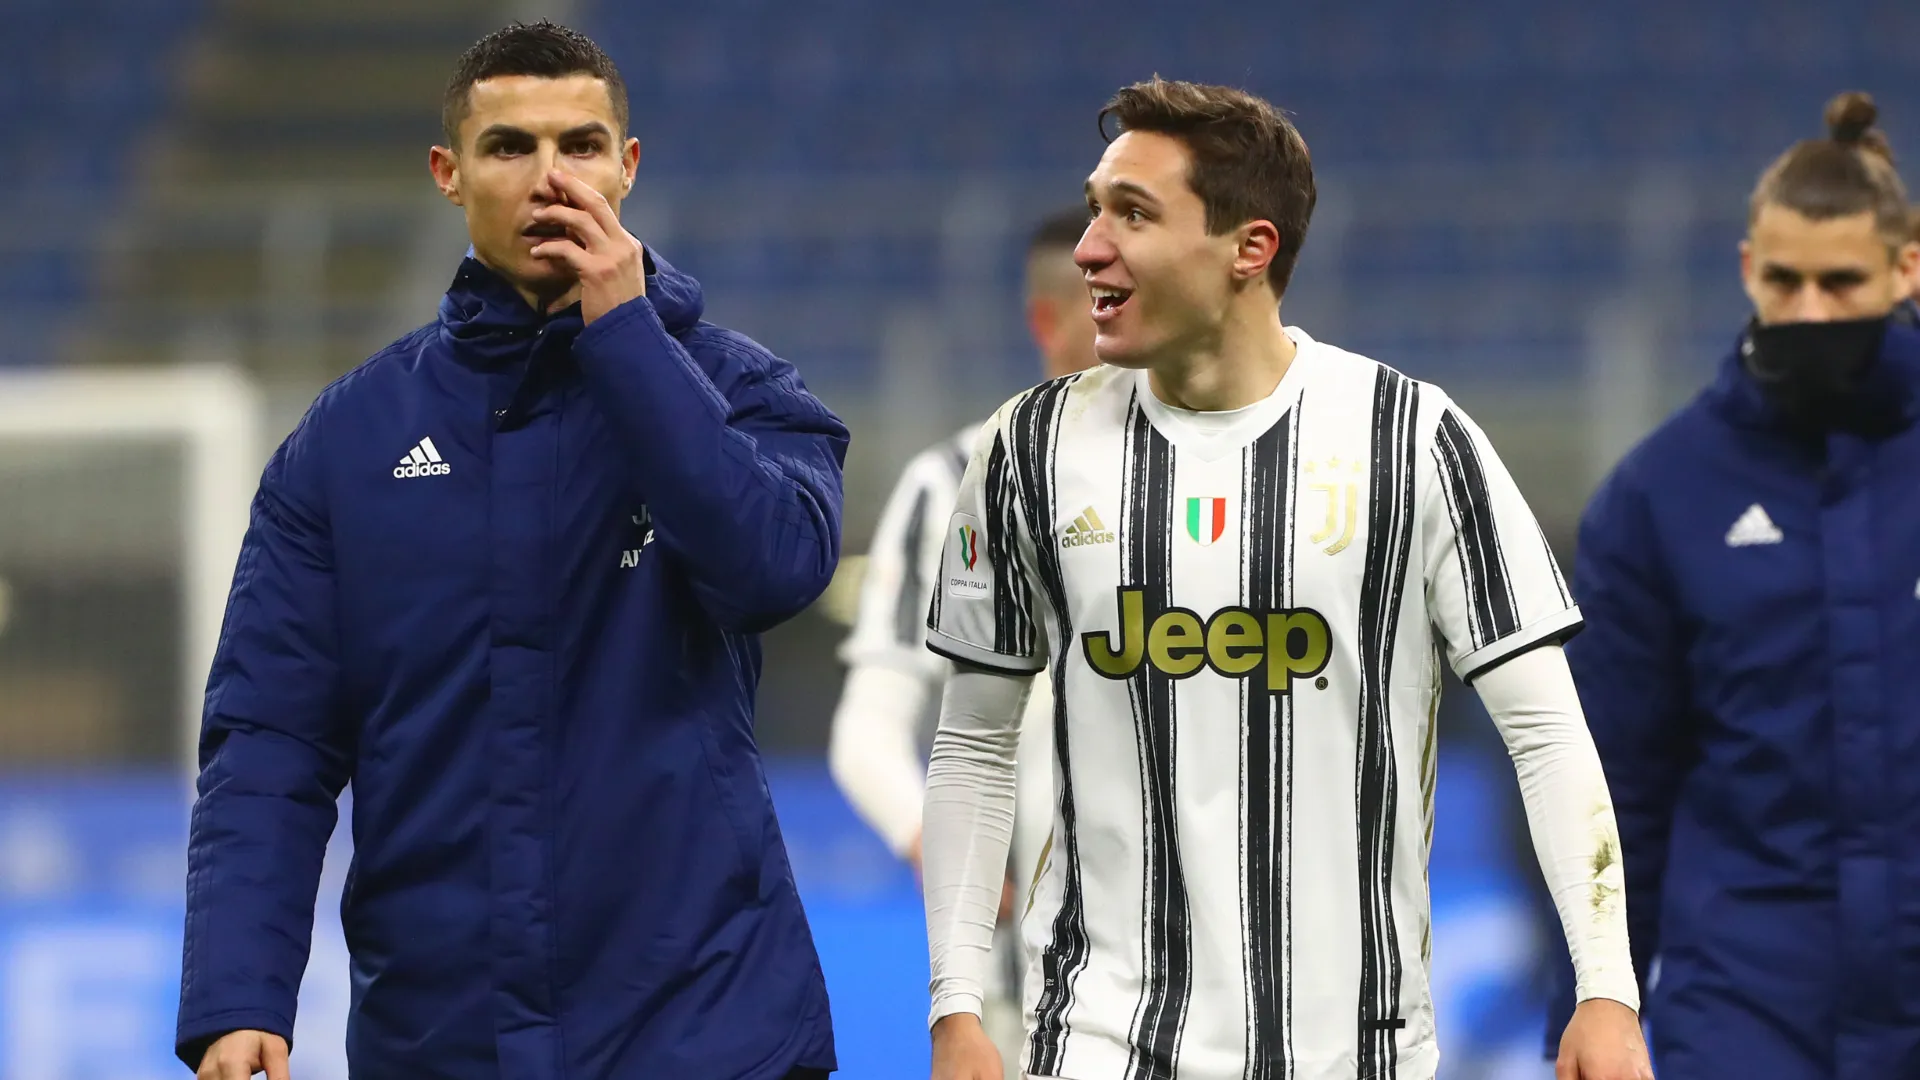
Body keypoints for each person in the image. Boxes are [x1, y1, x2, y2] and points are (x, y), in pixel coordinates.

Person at [918, 77, 1652, 1080]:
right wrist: (957, 1008)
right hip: (1096, 1046)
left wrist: (1605, 989)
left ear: (1248, 250)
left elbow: (1546, 735)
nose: (1089, 246)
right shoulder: (1029, 448)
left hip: (1355, 1052)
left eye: (1131, 214)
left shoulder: (1413, 441)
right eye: (1095, 208)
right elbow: (973, 743)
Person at [175, 21, 844, 1080]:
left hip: (706, 1028)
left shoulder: (747, 392)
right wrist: (239, 993)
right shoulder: (346, 444)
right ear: (448, 174)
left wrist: (627, 341)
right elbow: (271, 739)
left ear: (628, 167)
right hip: (444, 1038)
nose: (550, 179)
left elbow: (771, 572)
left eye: (580, 145)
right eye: (508, 148)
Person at [1545, 93, 1920, 1079]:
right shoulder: (1660, 494)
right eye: (1785, 279)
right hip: (1748, 1006)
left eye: (1841, 283)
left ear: (1906, 270)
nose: (1810, 311)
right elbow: (1618, 783)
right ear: (1748, 268)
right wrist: (1588, 998)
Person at [828, 207, 1098, 1071]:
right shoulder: (953, 483)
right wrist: (944, 857)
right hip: (1028, 998)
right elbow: (866, 732)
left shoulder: (1221, 477)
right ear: (1046, 320)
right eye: (1108, 300)